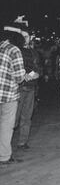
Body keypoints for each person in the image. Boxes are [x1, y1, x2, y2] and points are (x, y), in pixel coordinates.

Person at [0, 23, 27, 165]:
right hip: (7, 95)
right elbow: (19, 77)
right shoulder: (14, 50)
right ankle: (4, 156)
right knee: (5, 126)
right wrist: (25, 75)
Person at [14, 30, 41, 149]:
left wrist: (38, 74)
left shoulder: (34, 52)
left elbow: (39, 66)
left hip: (31, 87)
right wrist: (22, 75)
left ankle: (22, 142)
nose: (26, 38)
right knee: (14, 117)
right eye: (24, 36)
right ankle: (5, 143)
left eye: (27, 36)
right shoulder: (16, 51)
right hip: (19, 87)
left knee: (27, 116)